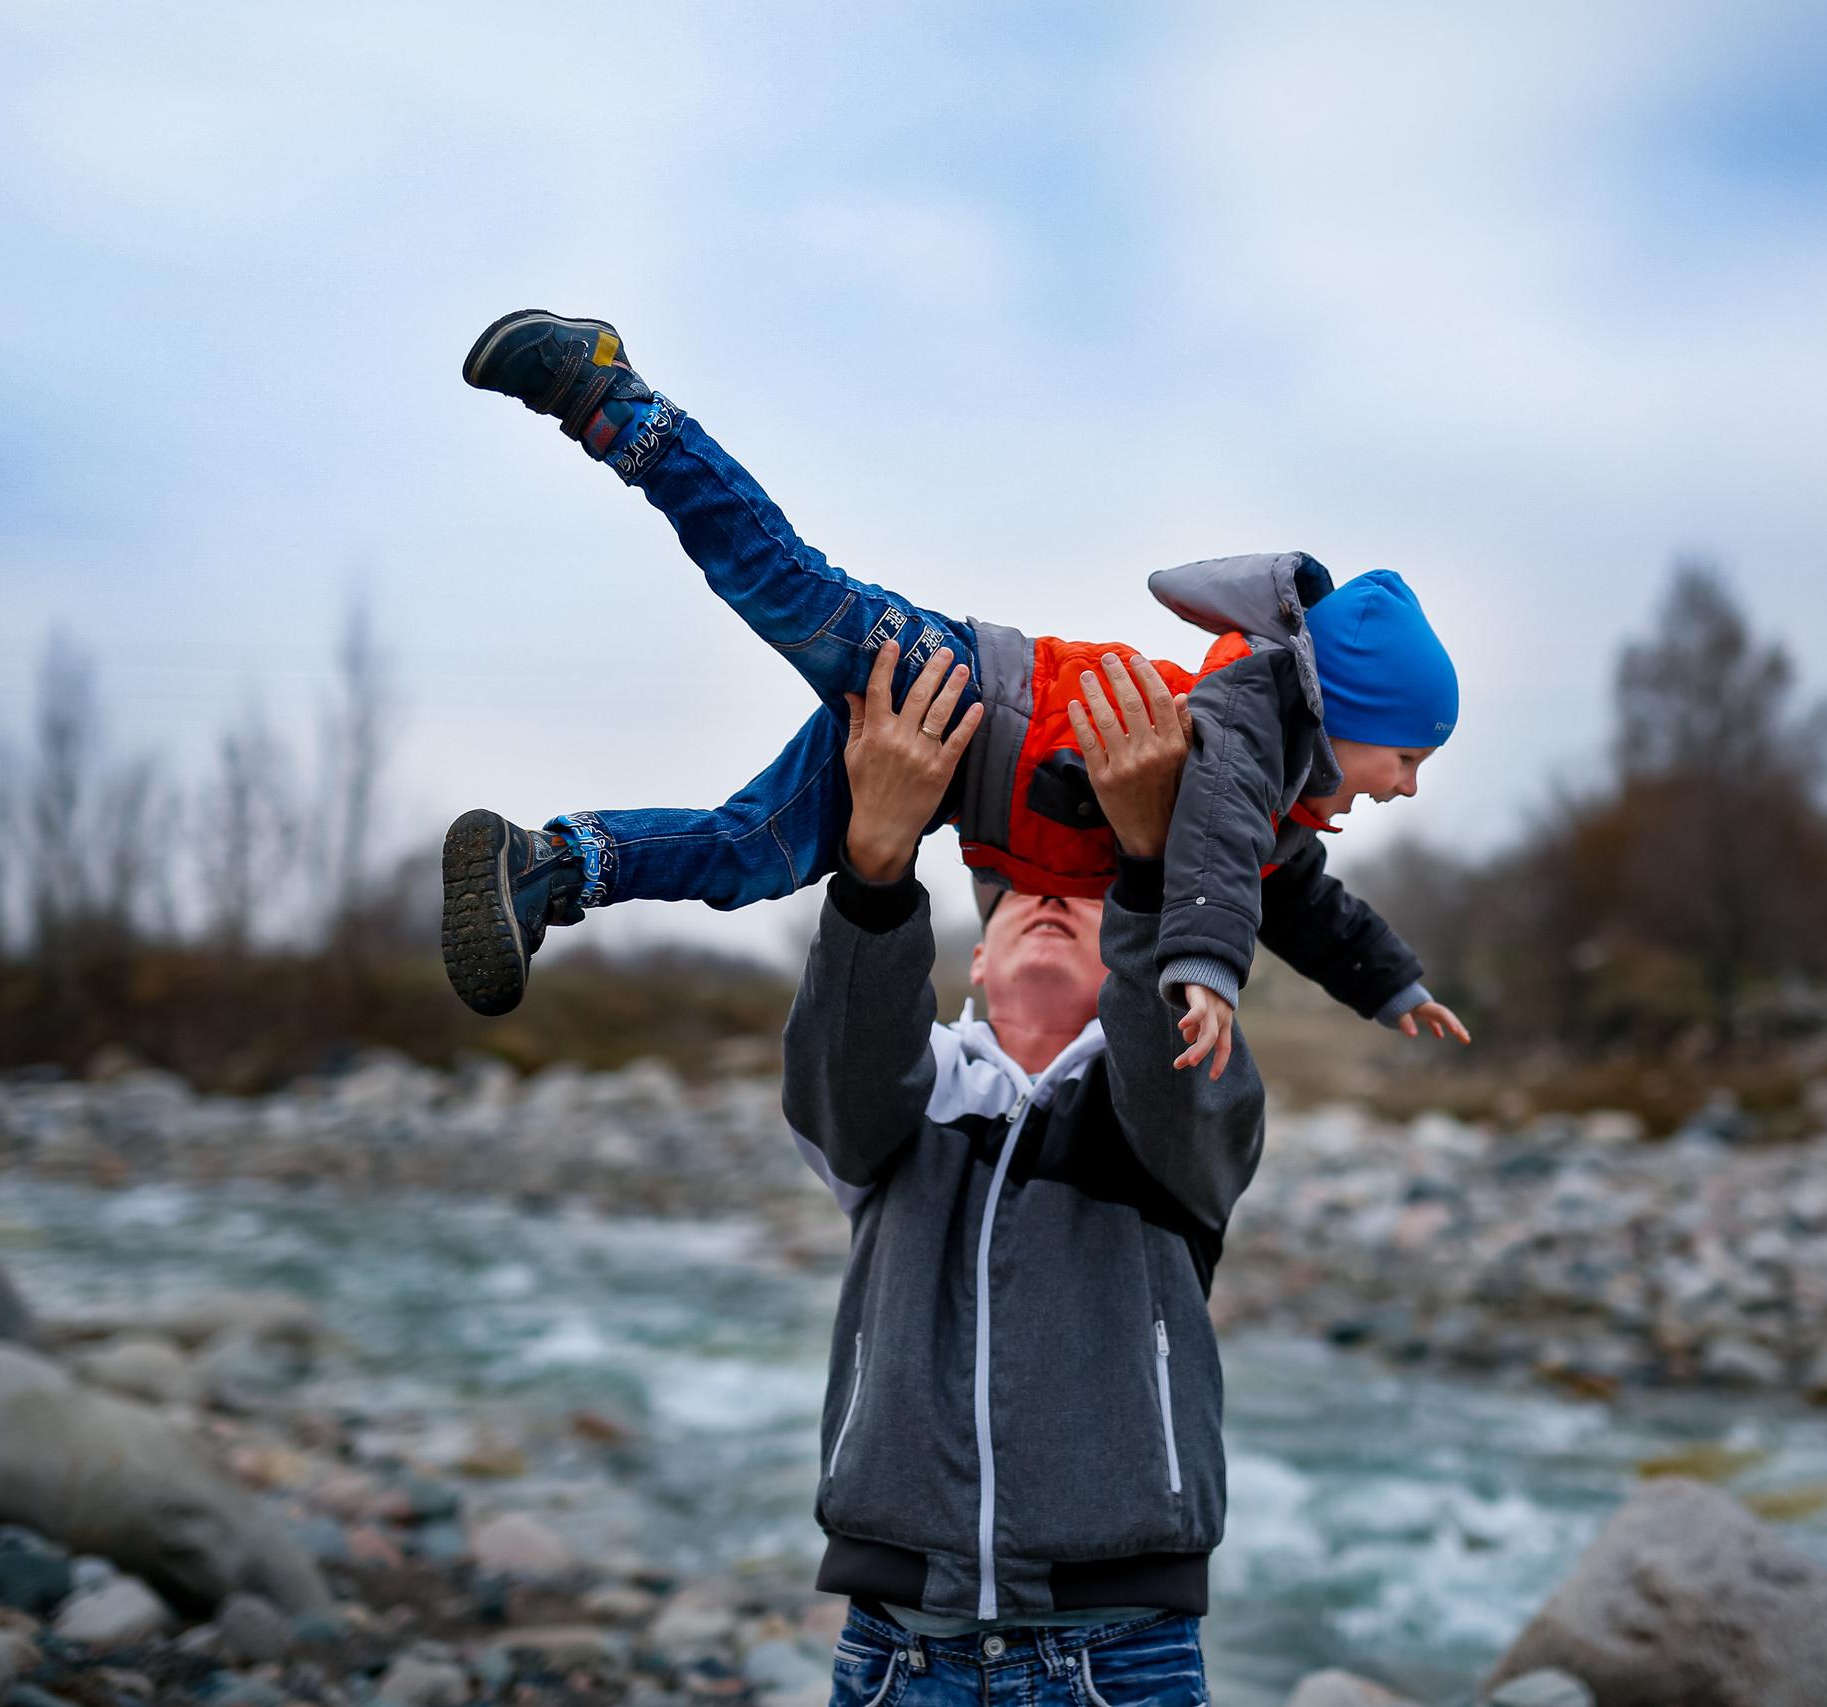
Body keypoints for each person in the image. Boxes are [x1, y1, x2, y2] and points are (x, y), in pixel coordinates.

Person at [440, 310, 1470, 1073]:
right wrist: (1200, 969)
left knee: (750, 855)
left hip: (940, 790)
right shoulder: (1251, 727)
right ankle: (611, 400)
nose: (1407, 788)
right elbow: (1210, 852)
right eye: (1408, 757)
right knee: (783, 588)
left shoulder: (1276, 818)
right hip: (962, 686)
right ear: (1344, 711)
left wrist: (1391, 984)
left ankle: (552, 869)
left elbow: (1311, 909)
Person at [784, 622, 1251, 1704]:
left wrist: (1144, 863)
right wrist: (874, 864)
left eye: (1082, 891)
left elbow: (1176, 1079)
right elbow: (836, 1091)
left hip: (1122, 1655)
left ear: (1133, 937)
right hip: (897, 1651)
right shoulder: (906, 1093)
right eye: (1011, 893)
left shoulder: (1185, 1088)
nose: (1045, 895)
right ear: (975, 957)